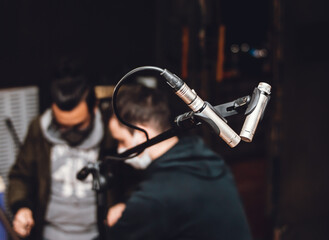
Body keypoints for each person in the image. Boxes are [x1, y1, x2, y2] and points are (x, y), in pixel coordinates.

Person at [106, 84, 253, 240]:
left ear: (142, 134)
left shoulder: (155, 196)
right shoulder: (209, 160)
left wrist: (123, 218)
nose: (120, 150)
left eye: (121, 141)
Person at [7, 61, 115, 240]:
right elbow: (20, 175)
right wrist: (21, 207)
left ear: (94, 106)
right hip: (49, 233)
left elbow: (129, 179)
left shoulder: (110, 132)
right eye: (62, 127)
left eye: (79, 126)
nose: (71, 134)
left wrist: (120, 206)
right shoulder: (38, 129)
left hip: (96, 234)